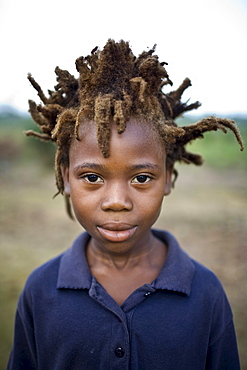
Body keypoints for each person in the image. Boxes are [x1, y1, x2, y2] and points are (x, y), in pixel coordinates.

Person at [7, 39, 244, 369]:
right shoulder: (40, 291)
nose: (116, 202)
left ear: (169, 179)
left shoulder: (205, 294)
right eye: (92, 177)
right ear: (65, 179)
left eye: (142, 178)